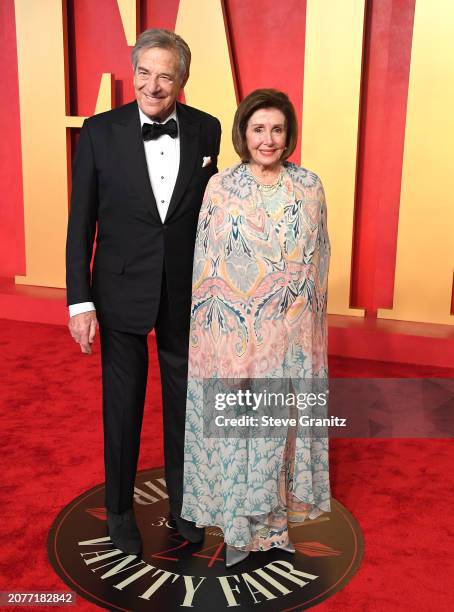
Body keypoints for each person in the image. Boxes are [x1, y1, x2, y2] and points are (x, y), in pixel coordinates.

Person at [66, 28, 221, 554]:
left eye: (166, 75)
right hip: (119, 289)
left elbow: (213, 217)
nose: (153, 85)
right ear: (133, 74)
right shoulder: (99, 131)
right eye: (144, 73)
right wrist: (79, 299)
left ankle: (185, 506)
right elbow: (79, 222)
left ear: (182, 80)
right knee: (123, 406)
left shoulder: (206, 130)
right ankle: (118, 509)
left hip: (185, 293)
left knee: (184, 406)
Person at [181, 89, 331, 567]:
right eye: (258, 129)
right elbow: (206, 265)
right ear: (243, 133)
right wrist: (212, 341)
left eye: (277, 129)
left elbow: (318, 262)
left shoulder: (309, 185)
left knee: (275, 439)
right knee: (239, 434)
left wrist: (308, 336)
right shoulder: (221, 187)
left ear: (289, 136)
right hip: (234, 340)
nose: (268, 139)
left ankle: (272, 528)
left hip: (288, 339)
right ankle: (237, 527)